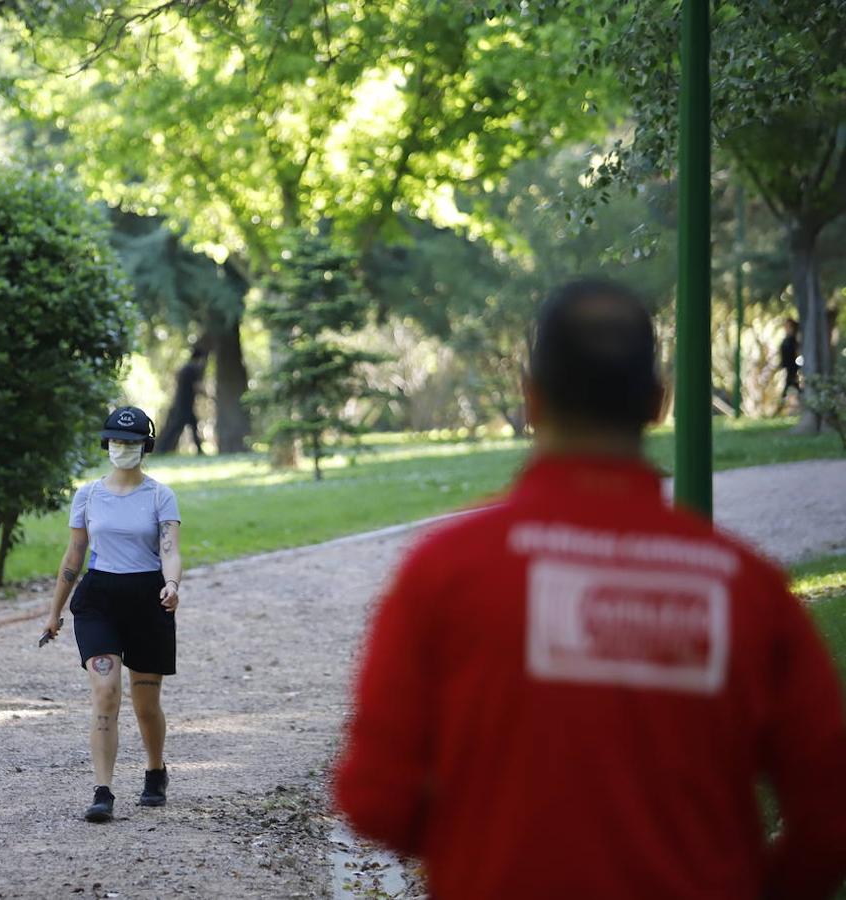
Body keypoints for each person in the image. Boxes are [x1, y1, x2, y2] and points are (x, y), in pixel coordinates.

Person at [334, 279, 846, 900]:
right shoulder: (749, 589)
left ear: (532, 399)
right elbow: (829, 810)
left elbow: (372, 797)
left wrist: (485, 848)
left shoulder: (447, 572)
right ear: (658, 402)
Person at [42, 405, 183, 822]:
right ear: (107, 444)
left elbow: (170, 549)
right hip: (99, 599)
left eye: (133, 442)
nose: (124, 448)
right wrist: (55, 612)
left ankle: (155, 771)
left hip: (148, 600)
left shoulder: (160, 495)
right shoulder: (88, 495)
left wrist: (171, 585)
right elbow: (74, 555)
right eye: (118, 441)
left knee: (145, 703)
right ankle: (103, 790)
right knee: (105, 692)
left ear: (146, 447)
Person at [781, 317, 802, 399]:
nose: (786, 328)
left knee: (791, 385)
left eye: (788, 326)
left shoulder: (793, 341)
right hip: (788, 368)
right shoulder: (787, 340)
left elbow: (797, 354)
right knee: (792, 385)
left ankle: (782, 403)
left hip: (793, 368)